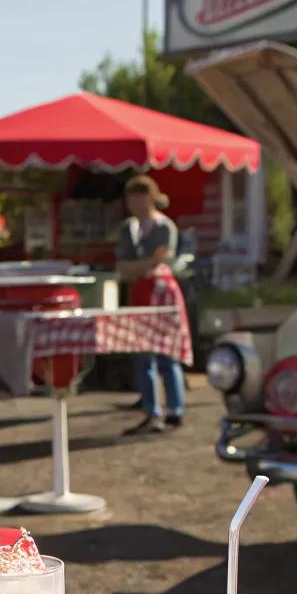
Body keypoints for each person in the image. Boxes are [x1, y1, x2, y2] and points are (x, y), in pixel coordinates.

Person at [116, 174, 187, 436]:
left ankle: (175, 409)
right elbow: (122, 267)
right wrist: (143, 265)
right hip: (140, 291)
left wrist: (140, 266)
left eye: (139, 197)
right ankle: (151, 409)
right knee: (142, 355)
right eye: (131, 198)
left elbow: (161, 261)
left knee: (167, 353)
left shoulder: (164, 227)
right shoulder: (128, 228)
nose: (134, 203)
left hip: (161, 292)